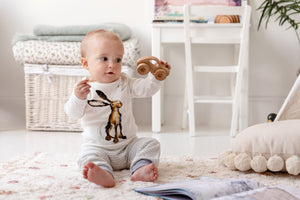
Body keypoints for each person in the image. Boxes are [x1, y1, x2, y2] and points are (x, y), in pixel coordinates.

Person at [65, 29, 170, 188]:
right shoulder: (85, 89)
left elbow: (146, 89)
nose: (112, 65)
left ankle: (139, 168)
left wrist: (155, 77)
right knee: (85, 155)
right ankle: (103, 172)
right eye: (104, 58)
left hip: (128, 147)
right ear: (86, 63)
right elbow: (73, 113)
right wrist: (77, 98)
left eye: (118, 59)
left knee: (151, 143)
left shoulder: (125, 82)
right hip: (99, 148)